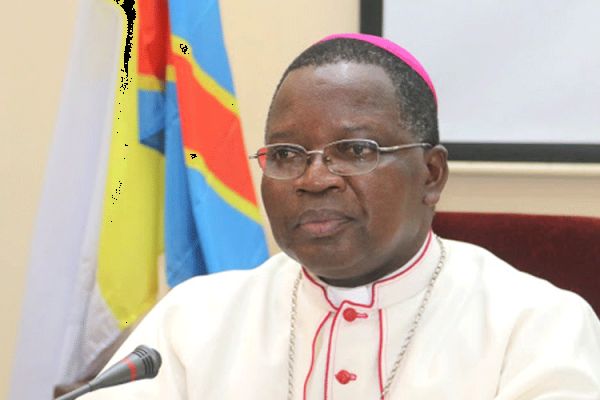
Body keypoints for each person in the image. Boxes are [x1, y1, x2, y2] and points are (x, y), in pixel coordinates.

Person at [80, 33, 600, 399]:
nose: (313, 179)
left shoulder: (534, 326)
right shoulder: (194, 319)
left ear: (431, 175)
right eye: (287, 154)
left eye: (355, 150)